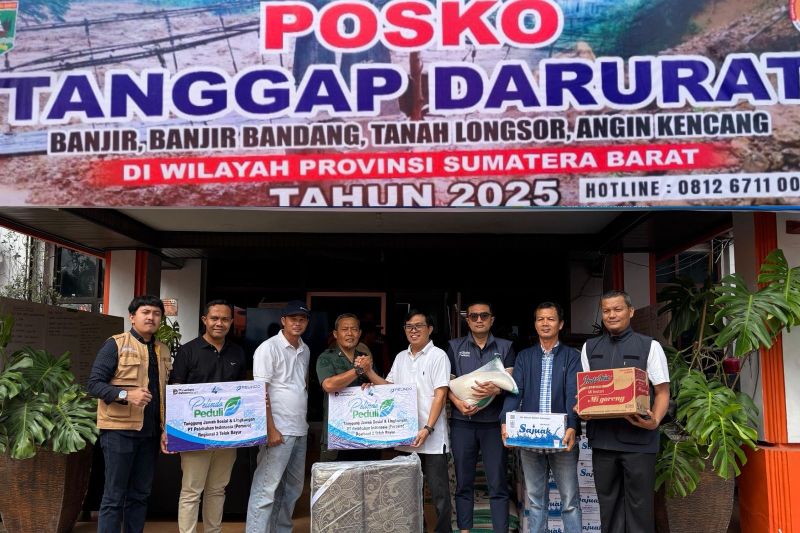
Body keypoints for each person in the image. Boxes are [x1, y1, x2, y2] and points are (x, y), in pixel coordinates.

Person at [580, 290, 670, 533]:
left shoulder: (649, 346)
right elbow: (587, 392)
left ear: (630, 312)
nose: (611, 315)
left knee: (640, 508)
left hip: (639, 441)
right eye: (606, 310)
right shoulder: (590, 347)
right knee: (608, 507)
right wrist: (583, 408)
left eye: (617, 309)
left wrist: (655, 420)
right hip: (603, 442)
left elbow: (662, 391)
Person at [87, 295, 172, 533]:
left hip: (150, 434)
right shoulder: (115, 344)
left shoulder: (163, 350)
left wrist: (166, 429)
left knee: (140, 495)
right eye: (146, 312)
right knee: (114, 496)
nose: (151, 317)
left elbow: (166, 393)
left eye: (156, 314)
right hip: (119, 432)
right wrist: (125, 394)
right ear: (132, 317)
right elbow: (94, 384)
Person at [500, 302, 582, 533]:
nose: (545, 323)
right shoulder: (525, 357)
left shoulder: (572, 357)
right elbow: (515, 392)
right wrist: (505, 422)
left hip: (562, 438)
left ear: (561, 324)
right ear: (535, 324)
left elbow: (573, 393)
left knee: (570, 502)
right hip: (531, 441)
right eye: (540, 319)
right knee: (536, 502)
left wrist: (572, 426)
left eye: (551, 319)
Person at [371, 310, 452, 533]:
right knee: (409, 492)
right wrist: (370, 374)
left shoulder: (438, 356)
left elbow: (440, 395)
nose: (413, 330)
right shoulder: (400, 358)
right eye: (409, 326)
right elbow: (390, 389)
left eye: (418, 326)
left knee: (439, 493)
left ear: (430, 329)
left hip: (433, 439)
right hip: (405, 436)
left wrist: (427, 428)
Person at [171, 300, 246, 533]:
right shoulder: (188, 351)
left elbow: (243, 392)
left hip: (227, 434)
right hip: (194, 434)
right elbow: (176, 392)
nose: (219, 323)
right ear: (204, 320)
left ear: (231, 322)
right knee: (191, 491)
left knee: (217, 489)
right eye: (214, 318)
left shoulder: (237, 352)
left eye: (225, 319)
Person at [446, 301, 516, 533]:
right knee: (463, 482)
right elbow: (446, 385)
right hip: (462, 423)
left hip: (493, 424)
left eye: (484, 315)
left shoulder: (506, 347)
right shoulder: (454, 347)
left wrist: (496, 390)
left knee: (497, 482)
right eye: (473, 316)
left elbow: (511, 383)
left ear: (491, 319)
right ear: (467, 320)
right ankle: (465, 530)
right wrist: (457, 403)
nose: (478, 319)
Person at [246, 300, 311, 533]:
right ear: (283, 321)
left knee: (292, 488)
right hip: (278, 429)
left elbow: (300, 386)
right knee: (266, 488)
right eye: (293, 319)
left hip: (299, 428)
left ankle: (281, 530)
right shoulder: (268, 348)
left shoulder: (305, 349)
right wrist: (270, 428)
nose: (297, 323)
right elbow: (260, 392)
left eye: (302, 319)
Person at [315, 312, 383, 461]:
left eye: (354, 329)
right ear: (335, 334)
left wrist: (371, 381)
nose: (350, 333)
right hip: (337, 435)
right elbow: (329, 385)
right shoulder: (327, 357)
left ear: (359, 333)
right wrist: (358, 370)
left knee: (367, 475)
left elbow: (383, 391)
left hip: (365, 434)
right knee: (333, 476)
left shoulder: (364, 359)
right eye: (345, 329)